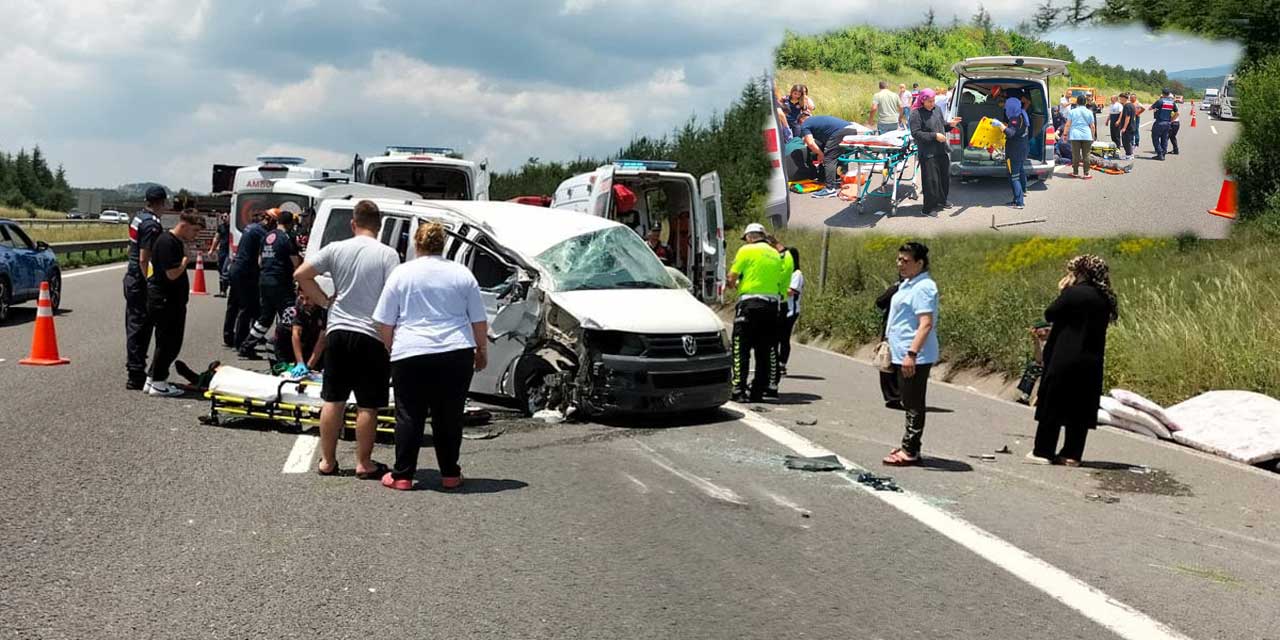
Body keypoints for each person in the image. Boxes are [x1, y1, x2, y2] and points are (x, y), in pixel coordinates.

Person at [373, 222, 489, 491]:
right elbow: (478, 321)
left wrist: (392, 348)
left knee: (409, 413)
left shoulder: (402, 274)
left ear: (417, 243)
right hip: (455, 351)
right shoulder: (462, 274)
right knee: (449, 415)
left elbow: (384, 321)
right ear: (444, 245)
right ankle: (450, 473)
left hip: (410, 350)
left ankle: (402, 475)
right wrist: (481, 350)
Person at [294, 200, 400, 479]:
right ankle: (364, 463)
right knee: (368, 404)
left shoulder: (336, 248)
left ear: (353, 223)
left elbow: (301, 275)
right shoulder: (388, 255)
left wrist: (324, 303)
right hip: (371, 334)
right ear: (379, 227)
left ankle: (327, 461)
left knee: (333, 399)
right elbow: (393, 295)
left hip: (338, 330)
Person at [1029, 255, 1119, 466]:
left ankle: (1043, 450)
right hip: (1091, 360)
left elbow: (1050, 313)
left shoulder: (1074, 294)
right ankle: (1072, 454)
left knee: (1053, 402)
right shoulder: (1105, 298)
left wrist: (1064, 292)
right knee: (1080, 406)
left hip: (1064, 357)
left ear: (1081, 273)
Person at [882, 242, 939, 466]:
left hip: (915, 354)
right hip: (901, 351)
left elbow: (925, 324)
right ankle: (908, 443)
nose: (900, 264)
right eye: (899, 259)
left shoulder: (923, 287)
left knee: (913, 402)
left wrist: (912, 353)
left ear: (920, 263)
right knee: (907, 400)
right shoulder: (909, 284)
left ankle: (911, 450)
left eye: (906, 261)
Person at [145, 211, 204, 397]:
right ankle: (159, 382)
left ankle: (152, 377)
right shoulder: (167, 242)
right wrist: (186, 261)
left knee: (165, 341)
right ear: (184, 225)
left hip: (169, 299)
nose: (195, 235)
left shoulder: (174, 241)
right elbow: (172, 274)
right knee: (170, 342)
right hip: (165, 300)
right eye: (194, 230)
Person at [727, 223, 783, 403]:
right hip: (771, 306)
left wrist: (733, 285)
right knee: (764, 350)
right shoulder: (775, 254)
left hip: (749, 304)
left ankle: (738, 389)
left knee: (740, 348)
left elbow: (731, 277)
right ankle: (758, 391)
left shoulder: (746, 250)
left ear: (750, 237)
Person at [239, 209, 302, 358]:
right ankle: (286, 351)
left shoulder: (268, 235)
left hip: (265, 280)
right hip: (280, 282)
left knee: (265, 318)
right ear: (290, 224)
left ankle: (246, 346)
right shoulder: (287, 238)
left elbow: (260, 261)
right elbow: (295, 263)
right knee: (290, 315)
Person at [123, 185, 166, 390]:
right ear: (162, 202)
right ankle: (136, 372)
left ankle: (136, 369)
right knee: (141, 327)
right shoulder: (152, 225)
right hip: (140, 280)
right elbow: (144, 258)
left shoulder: (138, 217)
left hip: (132, 277)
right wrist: (150, 282)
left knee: (135, 324)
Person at [908, 89, 962, 215]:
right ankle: (928, 208)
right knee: (931, 181)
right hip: (928, 153)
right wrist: (934, 136)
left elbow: (942, 125)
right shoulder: (916, 114)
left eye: (933, 101)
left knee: (944, 178)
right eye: (929, 101)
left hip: (941, 150)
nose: (932, 103)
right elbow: (916, 133)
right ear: (922, 100)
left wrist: (951, 124)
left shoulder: (937, 109)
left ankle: (941, 200)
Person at [224, 211, 267, 349]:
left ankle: (229, 336)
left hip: (236, 268)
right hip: (245, 272)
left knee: (233, 305)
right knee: (247, 307)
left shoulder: (250, 228)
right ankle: (241, 341)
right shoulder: (260, 231)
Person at [797, 113, 860, 198]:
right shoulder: (817, 121)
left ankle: (830, 189)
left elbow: (810, 143)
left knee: (829, 158)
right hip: (852, 129)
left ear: (801, 120)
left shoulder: (805, 124)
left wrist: (820, 154)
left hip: (841, 132)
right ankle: (842, 179)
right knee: (839, 155)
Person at [765, 235, 795, 397]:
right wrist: (779, 247)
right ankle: (771, 383)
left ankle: (766, 382)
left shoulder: (769, 260)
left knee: (767, 346)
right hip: (779, 304)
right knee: (771, 346)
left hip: (769, 304)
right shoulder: (783, 259)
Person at [271, 291, 327, 376]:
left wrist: (309, 366)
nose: (304, 302)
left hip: (315, 345)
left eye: (308, 299)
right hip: (291, 346)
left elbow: (321, 341)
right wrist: (300, 363)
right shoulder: (296, 309)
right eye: (301, 298)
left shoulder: (324, 311)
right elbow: (296, 335)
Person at [995, 96, 1031, 209]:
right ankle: (1024, 190)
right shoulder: (1022, 114)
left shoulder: (1015, 118)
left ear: (1011, 107)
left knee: (1013, 177)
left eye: (1007, 107)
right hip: (1022, 149)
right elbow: (1016, 130)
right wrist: (1007, 126)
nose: (1006, 109)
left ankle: (1019, 202)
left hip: (1014, 151)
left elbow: (1011, 133)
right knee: (1020, 170)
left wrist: (1001, 126)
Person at [874, 278, 903, 409]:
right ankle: (895, 396)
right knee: (889, 361)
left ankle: (893, 396)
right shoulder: (902, 288)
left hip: (891, 330)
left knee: (888, 361)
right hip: (896, 331)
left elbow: (880, 302)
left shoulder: (896, 287)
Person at [777, 248, 803, 377]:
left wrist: (776, 288)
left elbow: (790, 291)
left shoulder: (796, 274)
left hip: (791, 311)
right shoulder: (783, 272)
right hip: (780, 309)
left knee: (784, 338)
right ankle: (775, 363)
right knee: (775, 338)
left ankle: (782, 364)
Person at [1066, 95, 1097, 179]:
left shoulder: (1072, 112)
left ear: (1077, 102)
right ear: (1085, 102)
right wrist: (1093, 136)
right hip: (1087, 135)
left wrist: (1065, 134)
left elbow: (1068, 124)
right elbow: (1092, 126)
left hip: (1075, 135)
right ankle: (1086, 173)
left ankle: (1075, 172)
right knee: (1086, 155)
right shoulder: (1089, 112)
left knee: (1075, 155)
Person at [1149, 88, 1178, 161]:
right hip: (1167, 123)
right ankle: (1163, 154)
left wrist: (1155, 109)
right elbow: (1177, 113)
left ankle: (1160, 153)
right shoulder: (1172, 103)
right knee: (1164, 139)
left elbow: (1150, 108)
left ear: (1162, 93)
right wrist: (1171, 120)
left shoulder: (1160, 101)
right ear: (1169, 94)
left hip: (1159, 122)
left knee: (1155, 137)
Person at [209, 212, 231, 297]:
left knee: (225, 270)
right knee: (220, 269)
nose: (224, 218)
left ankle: (224, 291)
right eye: (222, 217)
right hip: (222, 251)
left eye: (225, 216)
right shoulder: (221, 227)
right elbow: (216, 238)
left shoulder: (232, 227)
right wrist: (211, 250)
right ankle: (222, 290)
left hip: (229, 251)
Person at [1117, 92, 1136, 159]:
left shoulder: (1127, 106)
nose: (1120, 100)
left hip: (1128, 127)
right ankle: (1130, 154)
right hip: (1132, 126)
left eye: (1120, 98)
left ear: (1124, 98)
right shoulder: (1132, 105)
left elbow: (1127, 117)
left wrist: (1124, 128)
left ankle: (1129, 155)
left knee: (1126, 141)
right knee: (1128, 141)